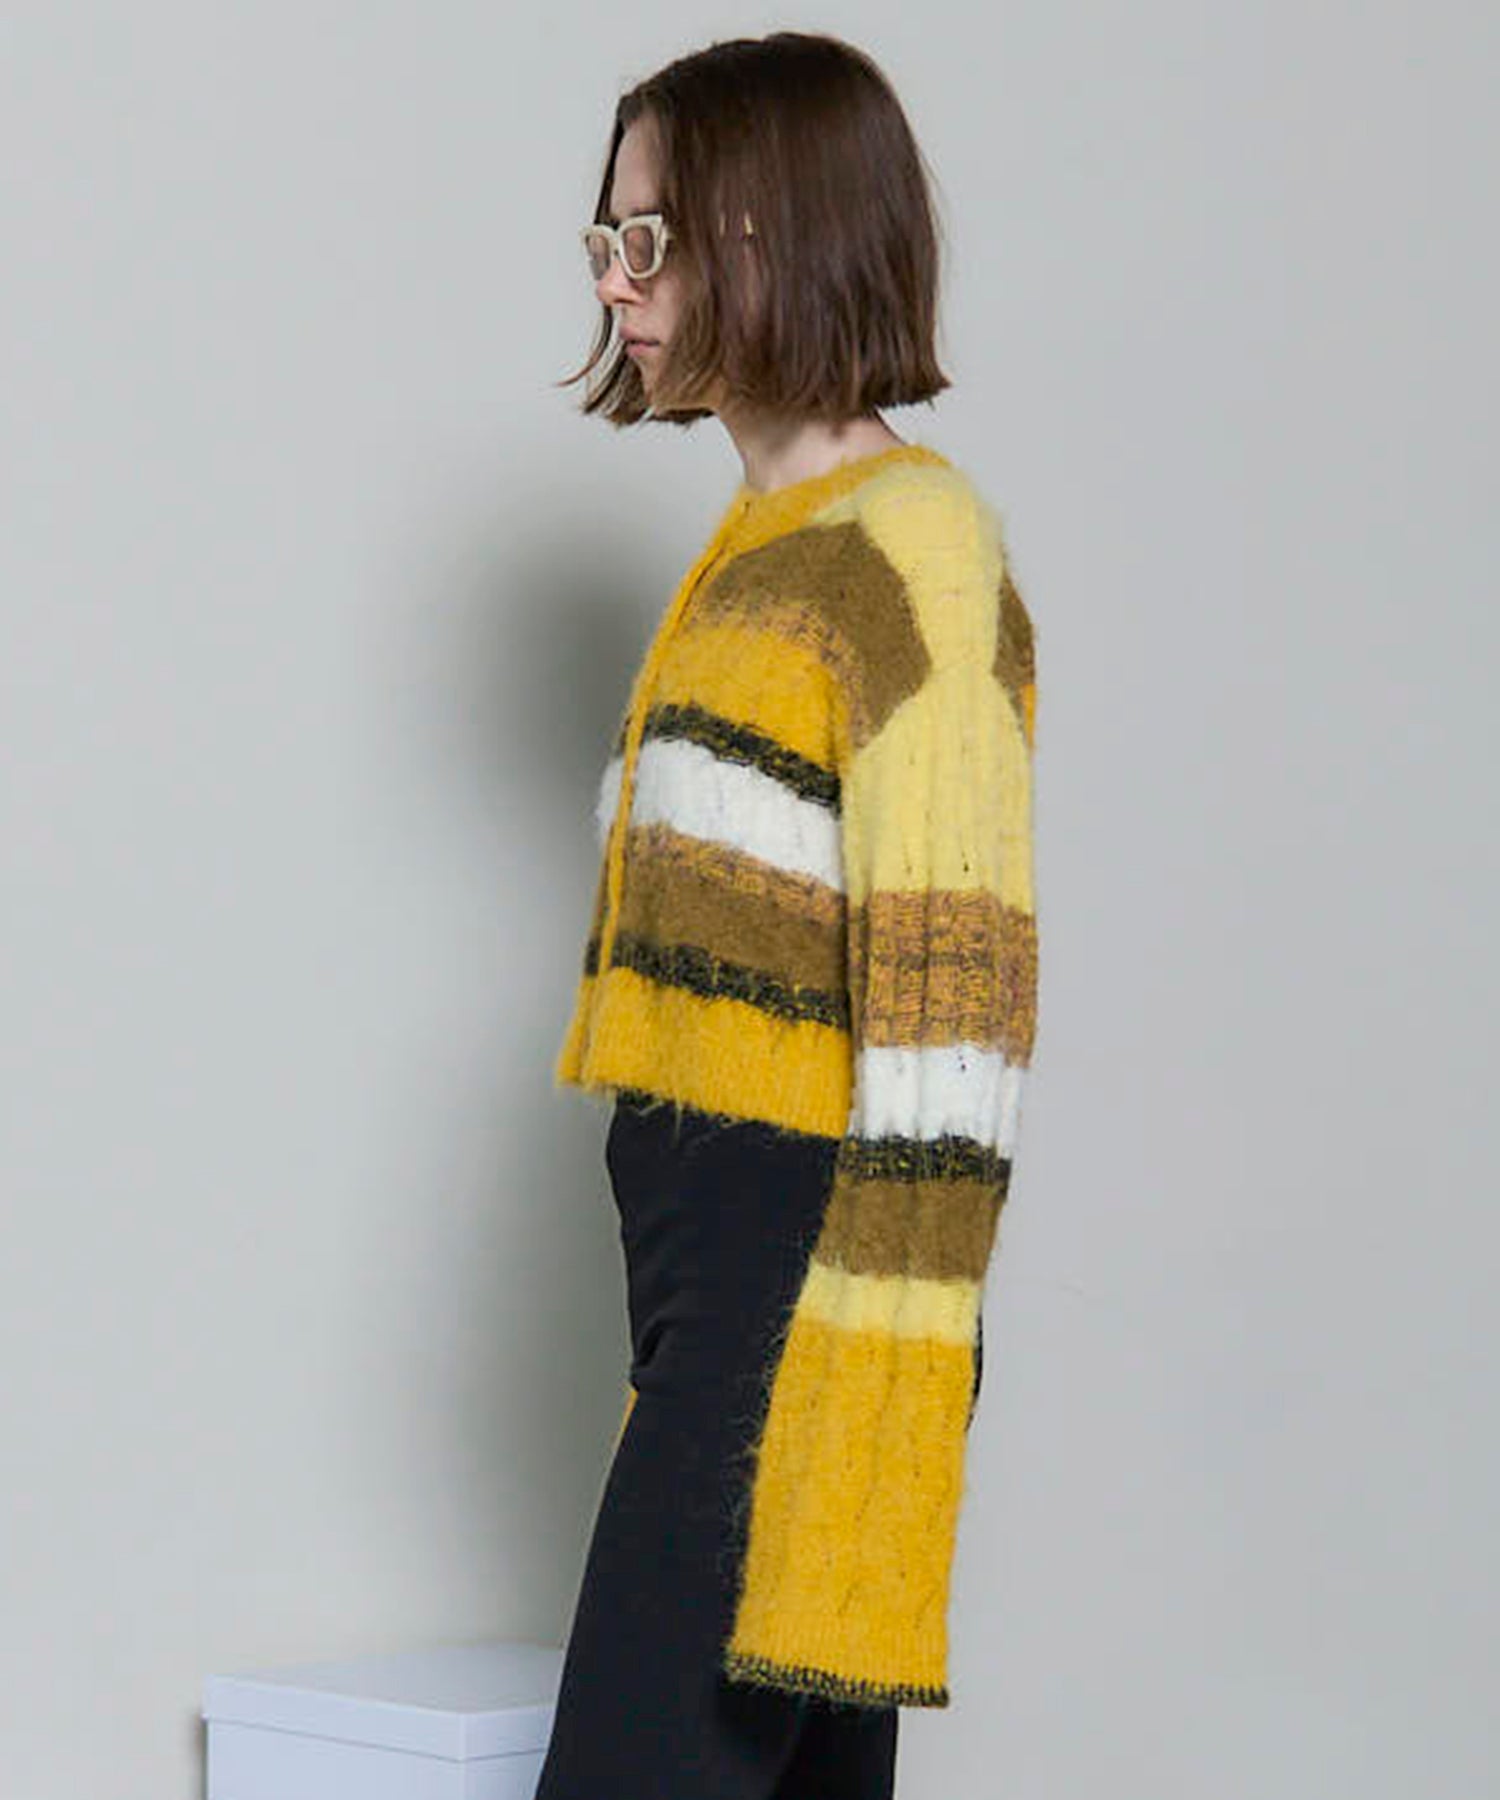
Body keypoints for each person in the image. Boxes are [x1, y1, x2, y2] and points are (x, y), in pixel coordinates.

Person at [535, 30, 1039, 1800]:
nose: (615, 281)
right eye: (604, 241)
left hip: (803, 1279)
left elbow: (959, 1004)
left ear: (766, 235)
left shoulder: (914, 547)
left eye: (647, 240)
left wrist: (873, 1381)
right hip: (706, 1276)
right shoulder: (759, 545)